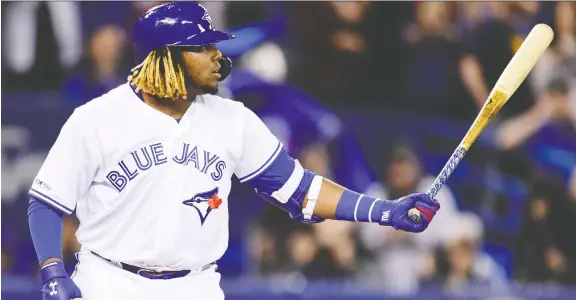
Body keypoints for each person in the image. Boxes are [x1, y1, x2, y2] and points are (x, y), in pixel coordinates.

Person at [26, 2, 440, 300]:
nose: (217, 58)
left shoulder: (232, 119)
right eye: (202, 48)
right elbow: (45, 202)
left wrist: (386, 211)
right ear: (165, 59)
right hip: (111, 284)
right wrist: (51, 270)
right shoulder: (96, 118)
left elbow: (302, 192)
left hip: (196, 286)